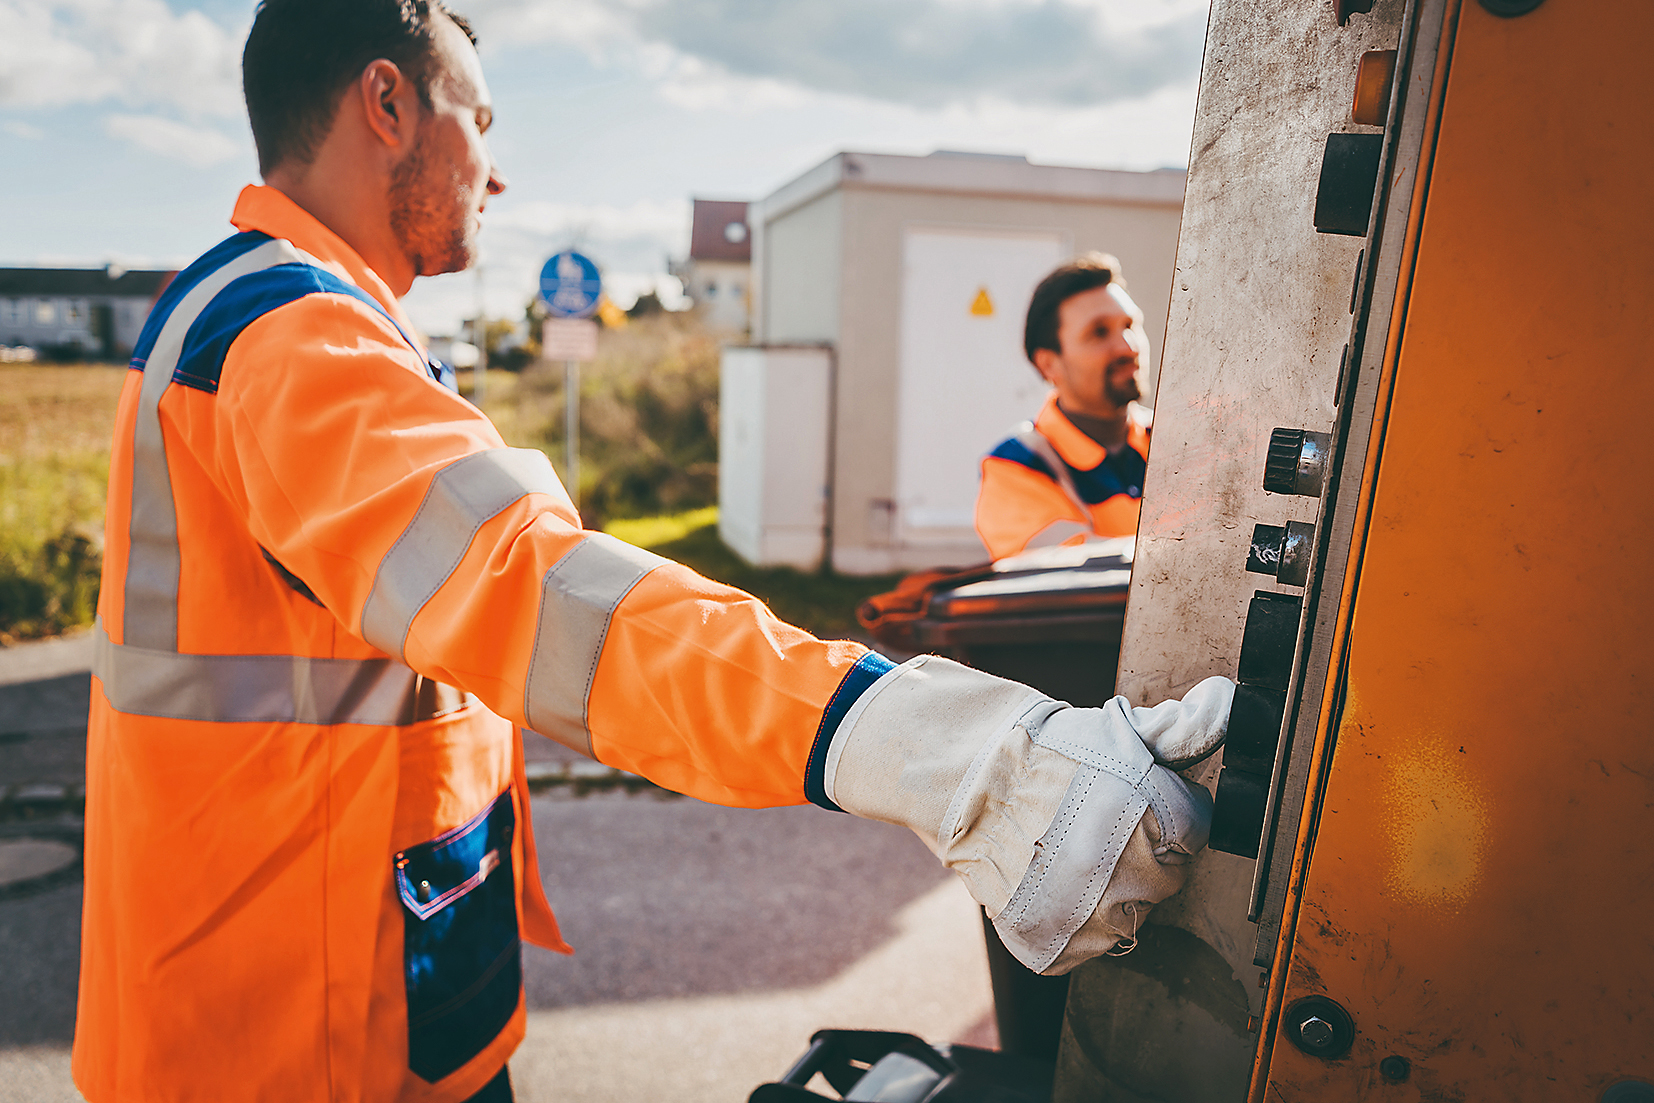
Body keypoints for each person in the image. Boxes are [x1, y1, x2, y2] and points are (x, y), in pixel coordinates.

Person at [74, 4, 1233, 1101]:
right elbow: (548, 597)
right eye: (480, 120)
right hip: (295, 1036)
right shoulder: (290, 338)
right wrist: (946, 753)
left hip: (319, 991)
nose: (498, 166)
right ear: (386, 103)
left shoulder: (269, 318)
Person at [975, 255, 1155, 560]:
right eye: (1099, 332)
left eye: (1130, 325)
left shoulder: (1181, 443)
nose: (1129, 346)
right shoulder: (1016, 465)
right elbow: (1073, 582)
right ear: (1048, 364)